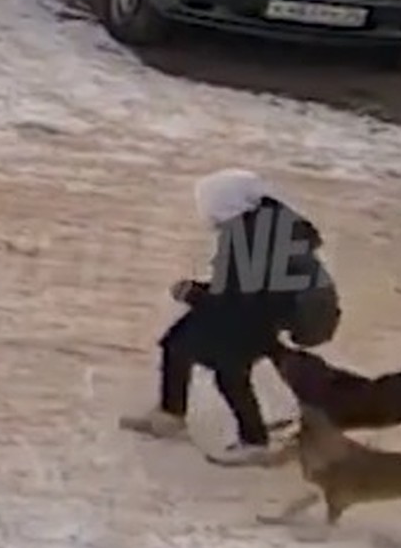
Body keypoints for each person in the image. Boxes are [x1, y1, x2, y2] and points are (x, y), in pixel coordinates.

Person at [120, 169, 340, 465]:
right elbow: (238, 289)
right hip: (266, 307)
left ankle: (255, 440)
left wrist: (194, 294)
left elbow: (242, 297)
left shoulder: (258, 233)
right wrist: (201, 293)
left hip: (277, 312)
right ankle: (171, 415)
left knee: (229, 366)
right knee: (179, 342)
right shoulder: (258, 222)